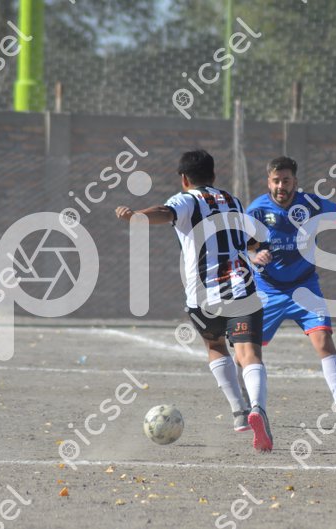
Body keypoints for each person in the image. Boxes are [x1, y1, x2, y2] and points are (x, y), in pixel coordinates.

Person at [115, 150, 272, 452]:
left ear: (184, 178)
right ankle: (257, 408)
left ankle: (239, 411)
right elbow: (248, 238)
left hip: (202, 296)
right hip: (240, 290)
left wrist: (136, 216)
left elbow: (164, 212)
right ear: (213, 175)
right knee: (249, 354)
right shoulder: (233, 201)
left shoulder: (185, 199)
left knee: (215, 347)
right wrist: (257, 250)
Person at [245, 156, 336, 427]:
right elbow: (245, 245)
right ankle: (249, 409)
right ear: (268, 182)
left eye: (286, 180)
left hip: (305, 286)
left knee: (323, 341)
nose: (281, 186)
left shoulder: (311, 204)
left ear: (295, 181)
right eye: (276, 181)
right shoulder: (256, 210)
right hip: (268, 290)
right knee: (247, 350)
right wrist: (254, 256)